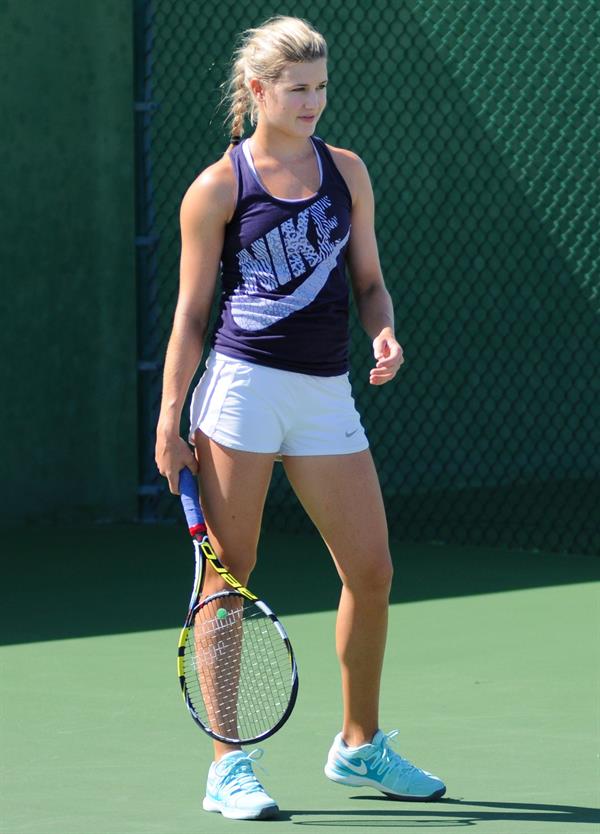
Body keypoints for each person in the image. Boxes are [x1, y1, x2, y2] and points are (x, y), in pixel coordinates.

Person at [155, 15, 446, 821]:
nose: (313, 101)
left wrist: (383, 328)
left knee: (373, 571)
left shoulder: (346, 171)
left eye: (320, 86)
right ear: (257, 92)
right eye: (297, 88)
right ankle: (229, 766)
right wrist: (170, 416)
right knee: (227, 576)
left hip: (325, 393)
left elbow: (370, 281)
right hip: (242, 389)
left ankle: (359, 745)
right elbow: (190, 314)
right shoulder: (218, 188)